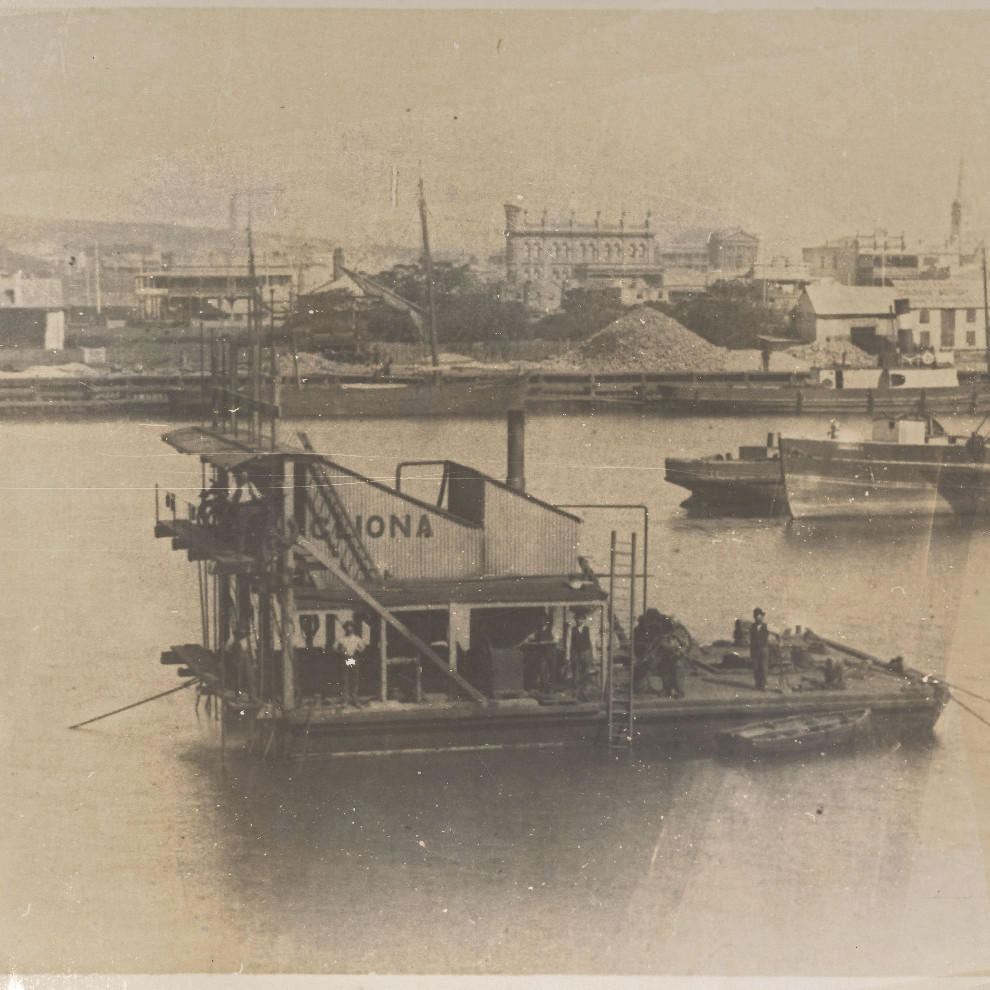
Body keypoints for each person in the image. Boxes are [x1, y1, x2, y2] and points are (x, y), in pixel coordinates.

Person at [334, 620, 367, 707]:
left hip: (354, 658)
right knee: (345, 679)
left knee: (355, 679)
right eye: (347, 627)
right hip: (345, 658)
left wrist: (359, 650)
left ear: (353, 628)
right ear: (345, 628)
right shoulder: (341, 639)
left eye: (351, 627)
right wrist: (340, 651)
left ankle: (355, 699)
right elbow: (334, 647)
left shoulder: (357, 638)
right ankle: (345, 700)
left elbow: (363, 647)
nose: (349, 629)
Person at [750, 607, 770, 691]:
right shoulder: (752, 627)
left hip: (764, 649)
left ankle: (763, 686)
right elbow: (751, 639)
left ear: (762, 617)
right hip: (754, 650)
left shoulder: (767, 626)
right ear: (755, 618)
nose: (758, 618)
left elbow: (775, 634)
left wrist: (780, 642)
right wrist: (751, 651)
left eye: (760, 616)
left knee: (764, 668)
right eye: (756, 617)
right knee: (756, 668)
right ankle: (757, 685)